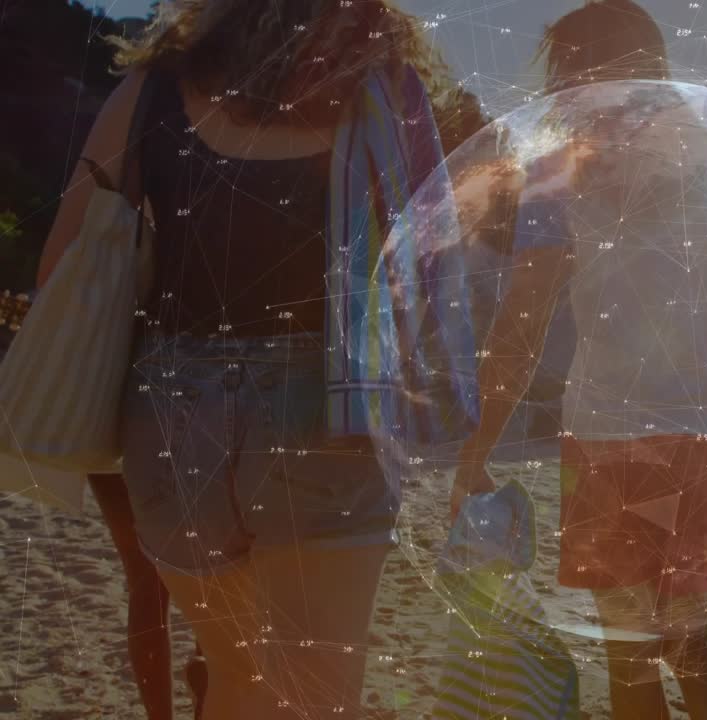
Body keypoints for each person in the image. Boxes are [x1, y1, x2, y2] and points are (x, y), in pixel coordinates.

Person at [36, 1, 449, 717]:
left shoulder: (153, 87)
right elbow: (435, 263)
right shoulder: (386, 87)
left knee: (236, 677)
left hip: (169, 414)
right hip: (323, 410)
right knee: (317, 698)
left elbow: (61, 268)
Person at [451, 2, 707, 719]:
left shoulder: (559, 173)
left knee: (630, 648)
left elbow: (524, 320)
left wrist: (478, 445)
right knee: (687, 637)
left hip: (604, 435)